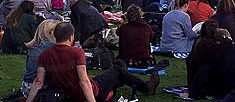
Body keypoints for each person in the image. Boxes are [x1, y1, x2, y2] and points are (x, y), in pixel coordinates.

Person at [26, 22, 160, 102]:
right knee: (118, 68)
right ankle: (146, 87)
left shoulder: (45, 55)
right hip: (86, 93)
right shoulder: (75, 52)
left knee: (118, 71)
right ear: (71, 36)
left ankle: (135, 84)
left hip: (65, 94)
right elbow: (83, 81)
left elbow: (38, 82)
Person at [21, 19, 61, 98]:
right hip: (39, 87)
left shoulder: (35, 46)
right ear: (51, 32)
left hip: (26, 85)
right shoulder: (51, 47)